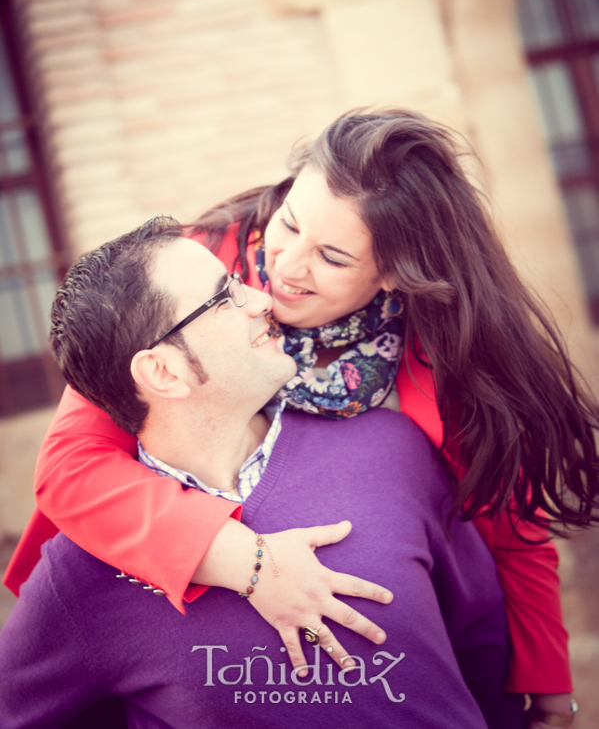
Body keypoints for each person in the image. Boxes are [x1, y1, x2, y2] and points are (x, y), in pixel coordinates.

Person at [5, 110, 596, 726]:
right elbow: (70, 467)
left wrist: (549, 688)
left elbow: (504, 516)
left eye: (333, 257)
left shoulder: (436, 354)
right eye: (287, 222)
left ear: (395, 274)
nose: (281, 270)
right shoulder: (196, 272)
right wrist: (252, 565)